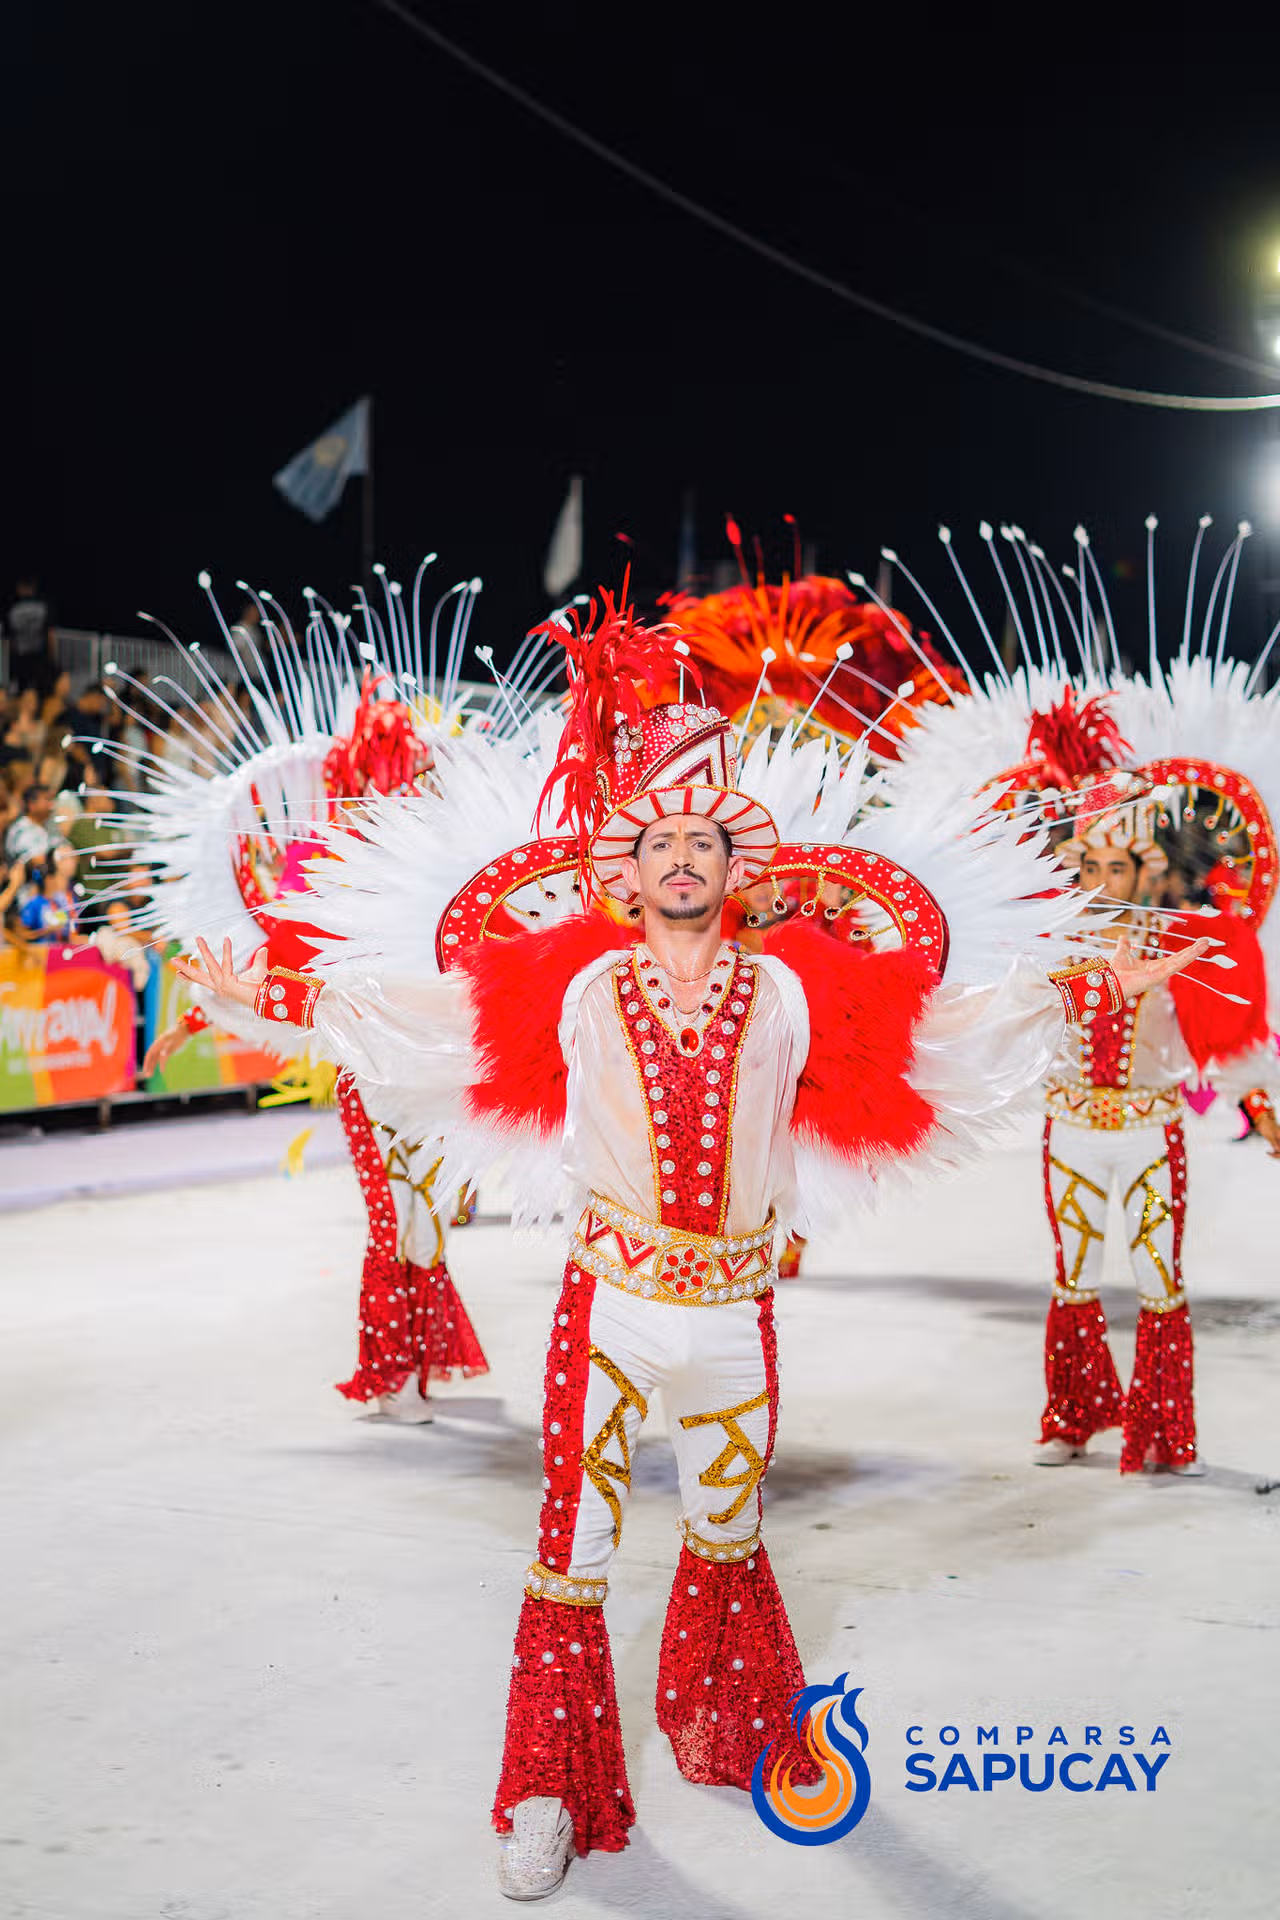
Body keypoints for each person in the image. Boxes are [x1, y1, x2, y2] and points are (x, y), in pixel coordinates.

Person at [172, 632, 1203, 1898]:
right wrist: (262, 1000)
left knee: (726, 1528)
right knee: (575, 1547)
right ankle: (548, 1791)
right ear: (628, 866)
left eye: (700, 843)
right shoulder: (570, 981)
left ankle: (722, 1726)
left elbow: (941, 1030)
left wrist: (1091, 979)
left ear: (731, 868)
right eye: (656, 841)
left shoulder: (795, 992)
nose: (677, 858)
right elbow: (410, 1013)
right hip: (608, 1308)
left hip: (731, 1320)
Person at [1033, 782, 1279, 1474]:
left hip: (1149, 1134)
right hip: (1071, 1133)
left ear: (1145, 871)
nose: (1104, 882)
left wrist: (1258, 1106)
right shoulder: (1053, 946)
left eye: (1118, 868)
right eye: (1091, 868)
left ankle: (1167, 1434)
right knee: (1072, 1276)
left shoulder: (1180, 945)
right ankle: (1072, 1419)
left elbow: (1225, 1037)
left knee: (1158, 1275)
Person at [19, 847, 83, 945]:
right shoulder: (36, 903)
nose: (52, 882)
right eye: (51, 877)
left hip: (67, 952)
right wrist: (45, 931)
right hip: (43, 955)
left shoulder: (72, 898)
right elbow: (21, 935)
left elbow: (72, 931)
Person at [6, 578, 54, 698]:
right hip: (39, 655)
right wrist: (52, 656)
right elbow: (50, 633)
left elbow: (10, 639)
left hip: (21, 656)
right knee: (41, 690)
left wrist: (12, 658)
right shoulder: (42, 607)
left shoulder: (12, 609)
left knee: (22, 690)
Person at [4, 783, 64, 866]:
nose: (51, 804)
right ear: (31, 805)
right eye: (47, 799)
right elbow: (31, 862)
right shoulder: (20, 830)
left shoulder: (50, 825)